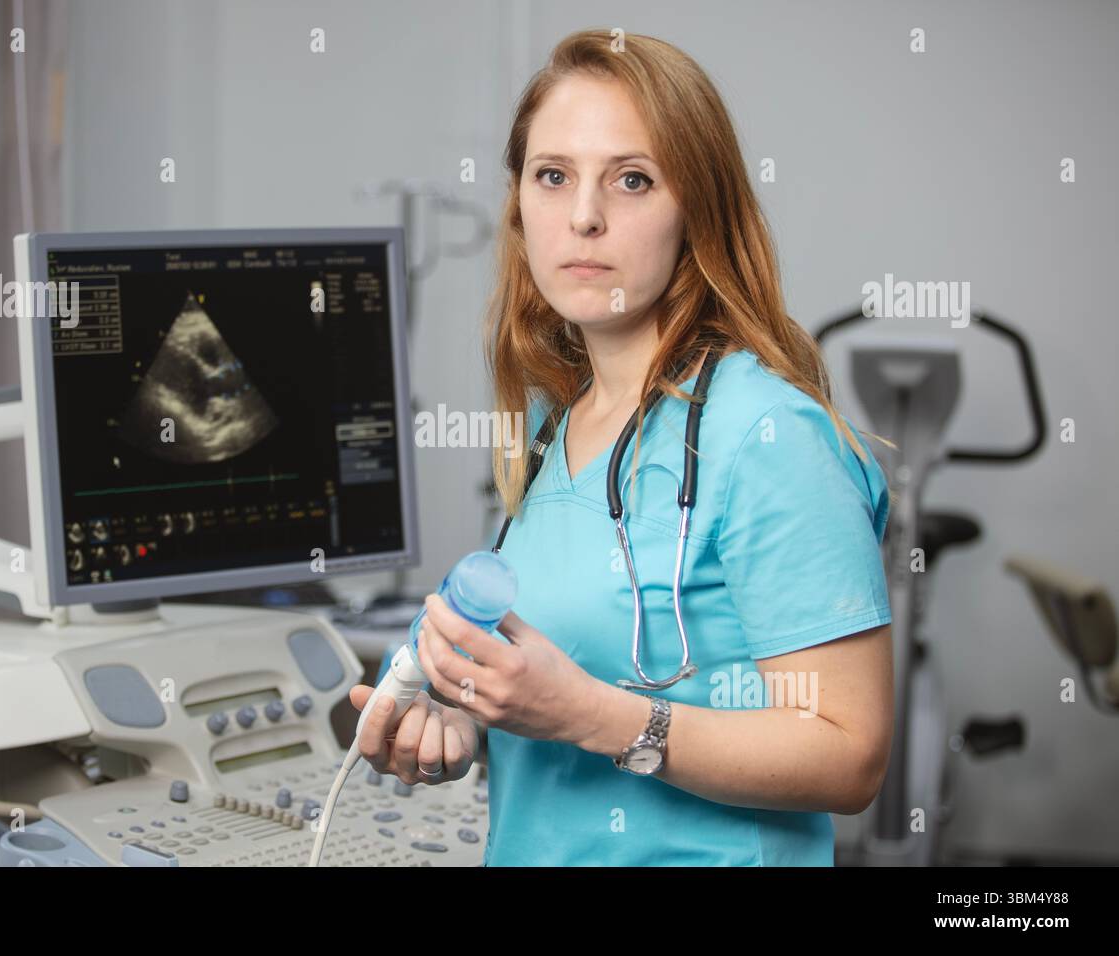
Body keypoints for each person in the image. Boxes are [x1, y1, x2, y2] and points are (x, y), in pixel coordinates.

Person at [349, 29, 894, 866]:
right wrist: (462, 716)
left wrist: (593, 717)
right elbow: (556, 663)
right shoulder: (555, 423)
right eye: (552, 175)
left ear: (697, 210)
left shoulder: (766, 436)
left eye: (632, 180)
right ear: (519, 204)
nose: (583, 216)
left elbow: (851, 754)